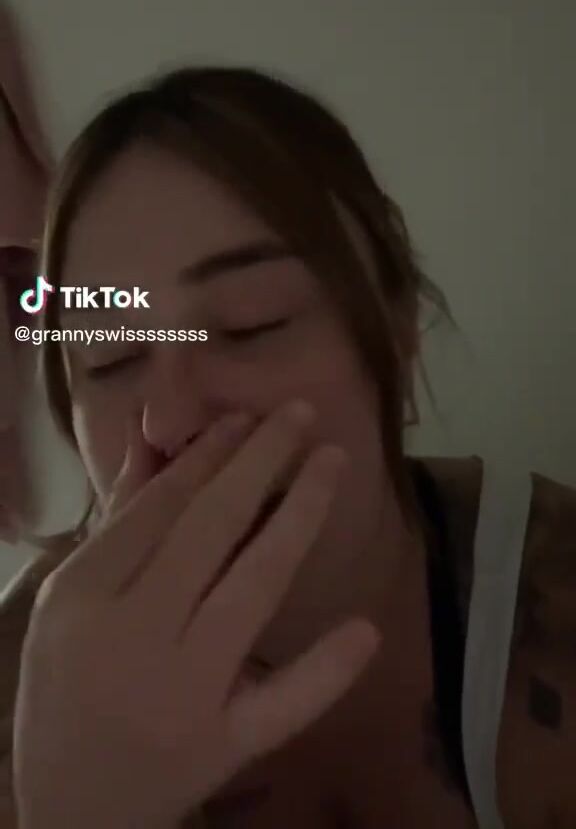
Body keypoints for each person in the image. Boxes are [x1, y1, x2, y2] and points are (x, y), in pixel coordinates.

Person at [1, 66, 575, 829]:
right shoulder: (23, 683)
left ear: (397, 325)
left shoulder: (550, 593)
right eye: (111, 358)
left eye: (252, 322)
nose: (169, 421)